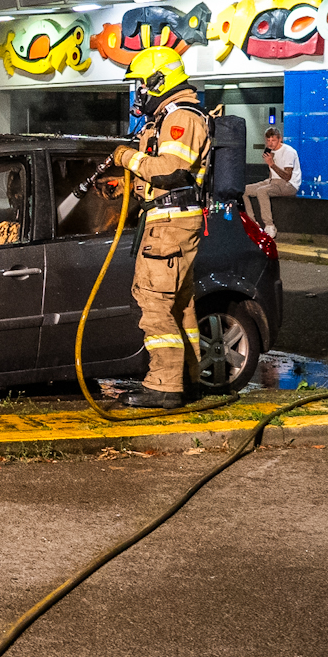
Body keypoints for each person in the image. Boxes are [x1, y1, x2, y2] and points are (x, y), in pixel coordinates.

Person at [110, 46, 212, 409]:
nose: (138, 91)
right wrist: (127, 186)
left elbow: (170, 170)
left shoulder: (181, 117)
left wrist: (127, 157)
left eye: (140, 83)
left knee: (153, 303)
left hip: (169, 226)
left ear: (158, 80)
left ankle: (164, 386)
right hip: (170, 220)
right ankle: (187, 379)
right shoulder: (169, 117)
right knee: (179, 307)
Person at [243, 126, 300, 239]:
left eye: (273, 140)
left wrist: (271, 164)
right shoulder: (271, 152)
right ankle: (253, 222)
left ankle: (269, 226)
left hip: (289, 184)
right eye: (268, 140)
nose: (270, 143)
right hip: (272, 181)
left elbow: (287, 176)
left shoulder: (288, 152)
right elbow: (272, 174)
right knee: (243, 189)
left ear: (280, 139)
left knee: (261, 191)